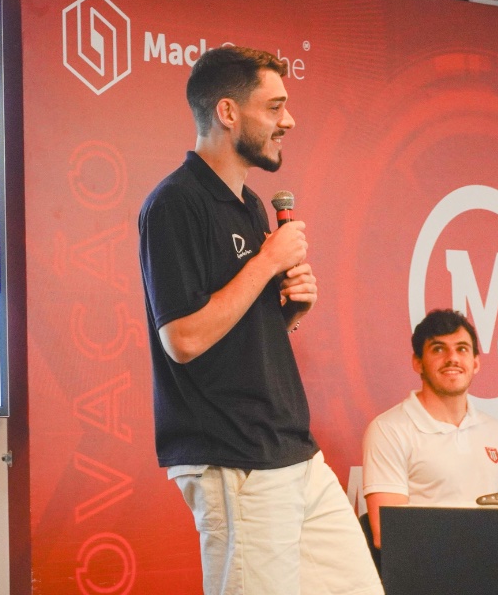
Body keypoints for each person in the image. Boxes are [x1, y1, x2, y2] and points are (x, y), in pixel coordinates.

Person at [138, 46, 381, 595]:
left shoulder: (249, 204)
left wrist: (287, 314)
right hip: (234, 461)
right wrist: (269, 261)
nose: (288, 121)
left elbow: (233, 328)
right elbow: (184, 337)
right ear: (228, 113)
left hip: (293, 450)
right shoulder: (175, 203)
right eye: (275, 108)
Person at [362, 309, 498, 548]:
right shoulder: (388, 430)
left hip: (493, 570)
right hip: (426, 576)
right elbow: (388, 534)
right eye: (438, 349)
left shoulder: (495, 431)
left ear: (475, 363)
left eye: (462, 348)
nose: (452, 358)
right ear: (417, 362)